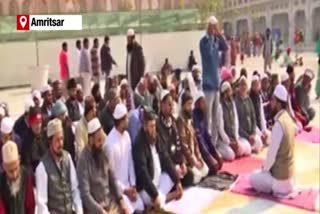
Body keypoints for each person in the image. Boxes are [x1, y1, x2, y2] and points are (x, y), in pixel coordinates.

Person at [250, 84, 295, 197]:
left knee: (252, 177)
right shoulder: (288, 120)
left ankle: (273, 188)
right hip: (290, 177)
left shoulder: (279, 124)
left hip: (280, 180)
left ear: (279, 103)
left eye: (273, 100)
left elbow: (271, 155)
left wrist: (264, 168)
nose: (271, 103)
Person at [77, 118, 129, 214]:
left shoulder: (103, 152)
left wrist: (121, 201)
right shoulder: (83, 160)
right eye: (99, 140)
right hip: (95, 209)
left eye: (102, 140)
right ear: (91, 140)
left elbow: (113, 179)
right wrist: (101, 211)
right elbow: (85, 194)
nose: (102, 143)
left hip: (110, 203)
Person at [132, 111, 183, 208]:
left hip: (158, 181)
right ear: (145, 126)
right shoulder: (139, 144)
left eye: (154, 125)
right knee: (158, 202)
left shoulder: (155, 137)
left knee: (175, 174)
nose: (154, 129)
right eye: (151, 126)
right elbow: (143, 173)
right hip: (146, 188)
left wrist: (177, 182)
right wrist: (154, 195)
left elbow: (166, 158)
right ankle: (168, 197)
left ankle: (161, 198)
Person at [35, 119, 83, 213]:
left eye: (61, 138)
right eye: (57, 140)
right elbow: (42, 204)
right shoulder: (42, 168)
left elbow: (75, 190)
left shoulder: (67, 158)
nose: (61, 143)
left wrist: (79, 211)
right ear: (50, 141)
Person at [104, 104, 144, 213]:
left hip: (130, 187)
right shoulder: (109, 144)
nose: (128, 120)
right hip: (118, 192)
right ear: (120, 121)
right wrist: (126, 191)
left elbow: (130, 162)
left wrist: (133, 185)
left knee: (141, 207)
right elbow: (111, 177)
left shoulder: (126, 136)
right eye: (126, 118)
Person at [200, 16, 228, 146]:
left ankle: (215, 142)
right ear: (209, 27)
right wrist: (211, 37)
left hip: (216, 85)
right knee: (208, 117)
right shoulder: (204, 42)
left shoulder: (217, 40)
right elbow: (210, 55)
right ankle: (207, 142)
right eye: (214, 26)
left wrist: (219, 35)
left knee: (216, 116)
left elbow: (226, 47)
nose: (215, 29)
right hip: (208, 85)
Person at [157, 90, 194, 187]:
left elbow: (178, 145)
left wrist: (181, 162)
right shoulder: (157, 125)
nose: (171, 107)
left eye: (171, 104)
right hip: (165, 166)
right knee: (172, 179)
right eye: (168, 104)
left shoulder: (172, 121)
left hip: (175, 162)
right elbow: (163, 154)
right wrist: (173, 168)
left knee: (190, 176)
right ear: (162, 105)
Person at [177, 92, 209, 184]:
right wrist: (194, 161)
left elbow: (195, 142)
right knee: (196, 177)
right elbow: (184, 146)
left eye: (191, 104)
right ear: (183, 105)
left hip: (194, 157)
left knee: (206, 170)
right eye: (188, 104)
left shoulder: (189, 121)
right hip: (186, 161)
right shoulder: (180, 122)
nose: (191, 107)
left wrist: (199, 158)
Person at [218, 81, 251, 161]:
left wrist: (236, 139)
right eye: (229, 91)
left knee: (246, 150)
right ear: (225, 93)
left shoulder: (232, 104)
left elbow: (236, 122)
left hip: (234, 137)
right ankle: (218, 149)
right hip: (224, 140)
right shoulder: (220, 107)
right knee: (231, 156)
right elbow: (221, 129)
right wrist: (229, 142)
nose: (231, 93)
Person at [0, 141, 35, 213]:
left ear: (19, 160)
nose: (14, 174)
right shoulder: (1, 181)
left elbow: (30, 205)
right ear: (4, 167)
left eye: (16, 168)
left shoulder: (26, 176)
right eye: (10, 171)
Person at [193, 91, 223, 174]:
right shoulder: (194, 116)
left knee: (220, 162)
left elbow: (207, 136)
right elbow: (199, 140)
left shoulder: (202, 115)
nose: (204, 104)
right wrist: (209, 156)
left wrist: (215, 152)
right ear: (197, 103)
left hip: (206, 148)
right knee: (214, 167)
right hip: (201, 151)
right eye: (202, 102)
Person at [235, 76, 263, 153]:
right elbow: (237, 124)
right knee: (246, 149)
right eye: (241, 85)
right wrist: (247, 136)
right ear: (239, 86)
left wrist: (253, 133)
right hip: (242, 135)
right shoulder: (236, 102)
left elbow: (253, 118)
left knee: (259, 143)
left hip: (251, 134)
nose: (243, 87)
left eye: (245, 85)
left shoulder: (248, 99)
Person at [21, 107, 47, 172]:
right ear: (31, 123)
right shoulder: (26, 141)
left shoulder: (45, 136)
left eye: (39, 122)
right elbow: (27, 165)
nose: (38, 126)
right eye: (35, 123)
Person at [249, 75, 271, 146]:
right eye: (254, 85)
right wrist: (260, 133)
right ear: (251, 86)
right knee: (259, 143)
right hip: (252, 128)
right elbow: (251, 119)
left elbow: (261, 115)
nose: (256, 86)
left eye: (257, 84)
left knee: (269, 136)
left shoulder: (259, 97)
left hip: (259, 126)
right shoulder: (249, 98)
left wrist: (264, 131)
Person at [75, 96, 96, 160]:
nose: (96, 110)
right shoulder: (79, 127)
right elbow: (80, 152)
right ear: (90, 111)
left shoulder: (95, 121)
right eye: (94, 108)